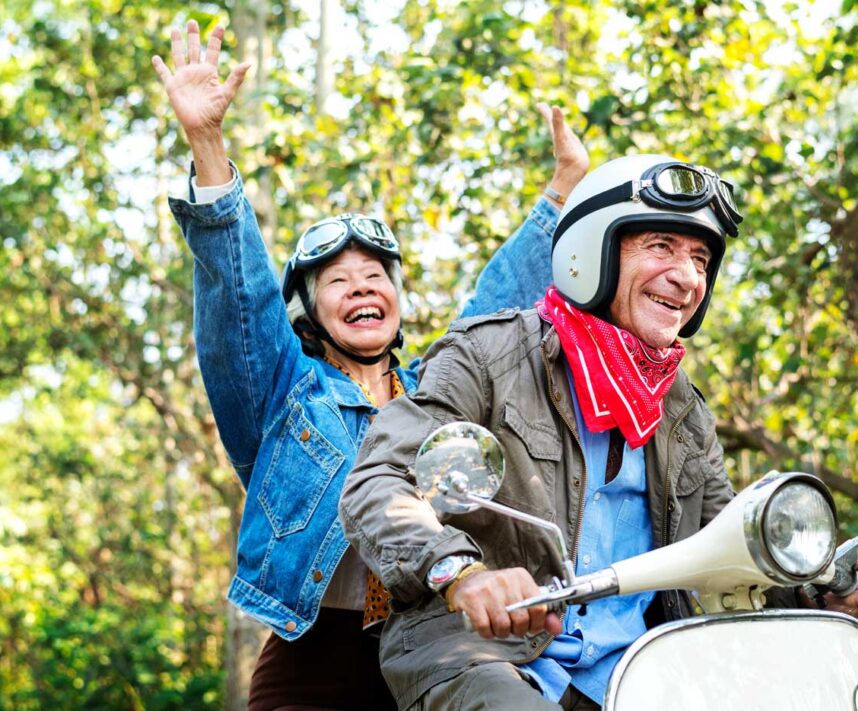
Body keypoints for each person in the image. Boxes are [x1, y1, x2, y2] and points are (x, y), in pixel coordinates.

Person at [339, 154, 858, 710]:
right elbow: (379, 480)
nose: (687, 277)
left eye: (701, 259)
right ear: (591, 252)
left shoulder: (683, 412)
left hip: (640, 672)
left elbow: (734, 544)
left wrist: (823, 575)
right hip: (487, 657)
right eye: (662, 248)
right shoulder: (488, 354)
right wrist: (460, 571)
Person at [152, 20, 589, 711]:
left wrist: (562, 192)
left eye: (375, 274)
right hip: (313, 653)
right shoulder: (286, 391)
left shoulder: (434, 392)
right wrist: (207, 146)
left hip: (437, 639)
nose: (360, 285)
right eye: (337, 279)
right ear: (313, 310)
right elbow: (240, 298)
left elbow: (495, 304)